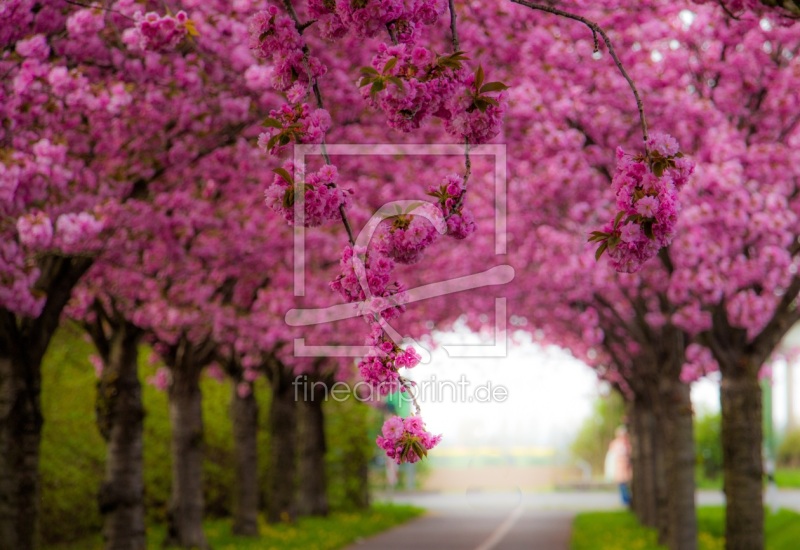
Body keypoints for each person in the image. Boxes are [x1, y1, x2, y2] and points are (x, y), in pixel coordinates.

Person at [605, 426, 632, 506]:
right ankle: (626, 501)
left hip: (628, 468)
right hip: (620, 468)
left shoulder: (628, 443)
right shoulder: (615, 444)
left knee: (628, 484)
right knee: (622, 485)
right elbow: (611, 457)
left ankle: (628, 500)